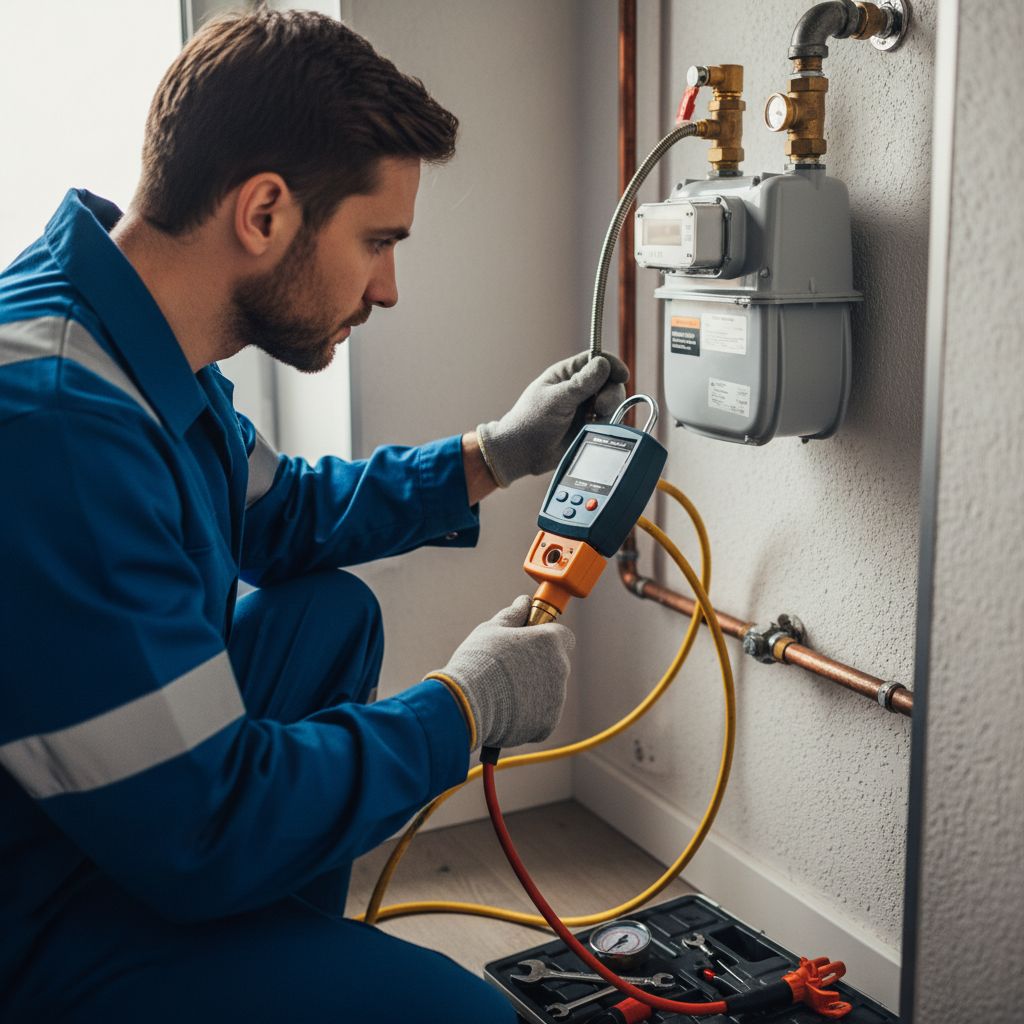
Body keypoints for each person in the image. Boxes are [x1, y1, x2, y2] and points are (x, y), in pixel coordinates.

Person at [0, 9, 628, 1023]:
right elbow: (209, 816)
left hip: (99, 821)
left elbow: (282, 513)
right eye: (377, 241)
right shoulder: (63, 427)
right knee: (466, 1017)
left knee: (326, 613)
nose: (387, 286)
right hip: (32, 913)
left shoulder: (124, 334)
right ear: (264, 213)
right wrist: (463, 710)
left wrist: (494, 453)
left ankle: (265, 956)